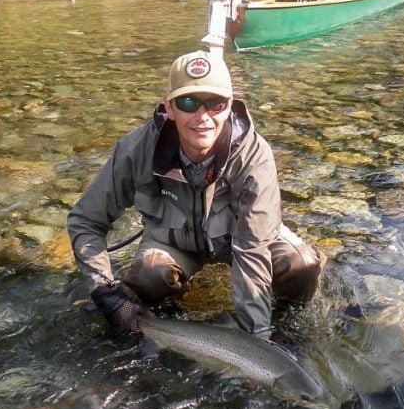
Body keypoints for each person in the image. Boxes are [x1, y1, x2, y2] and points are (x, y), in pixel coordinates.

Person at [67, 49, 325, 338]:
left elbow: (252, 249)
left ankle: (287, 326)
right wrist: (105, 289)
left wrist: (258, 340)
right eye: (188, 102)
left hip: (241, 239)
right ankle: (172, 326)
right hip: (176, 242)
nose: (202, 117)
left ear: (229, 106)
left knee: (301, 266)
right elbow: (85, 220)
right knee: (148, 277)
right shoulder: (136, 150)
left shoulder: (254, 156)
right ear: (169, 106)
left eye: (215, 104)